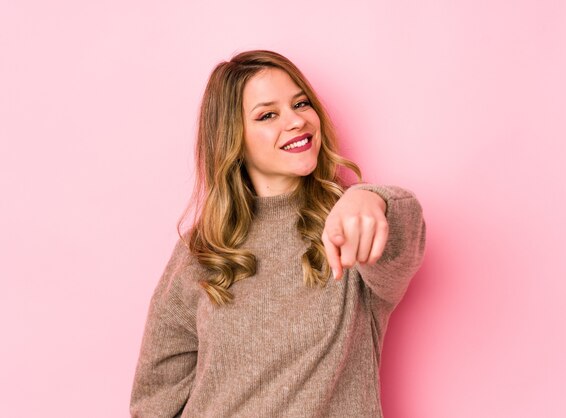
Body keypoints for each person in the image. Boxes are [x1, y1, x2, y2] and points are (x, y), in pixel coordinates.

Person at [130, 50, 426, 417]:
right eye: (268, 114)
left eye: (301, 104)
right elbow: (154, 400)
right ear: (233, 139)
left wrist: (371, 198)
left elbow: (404, 234)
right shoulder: (202, 251)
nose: (297, 121)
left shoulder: (347, 227)